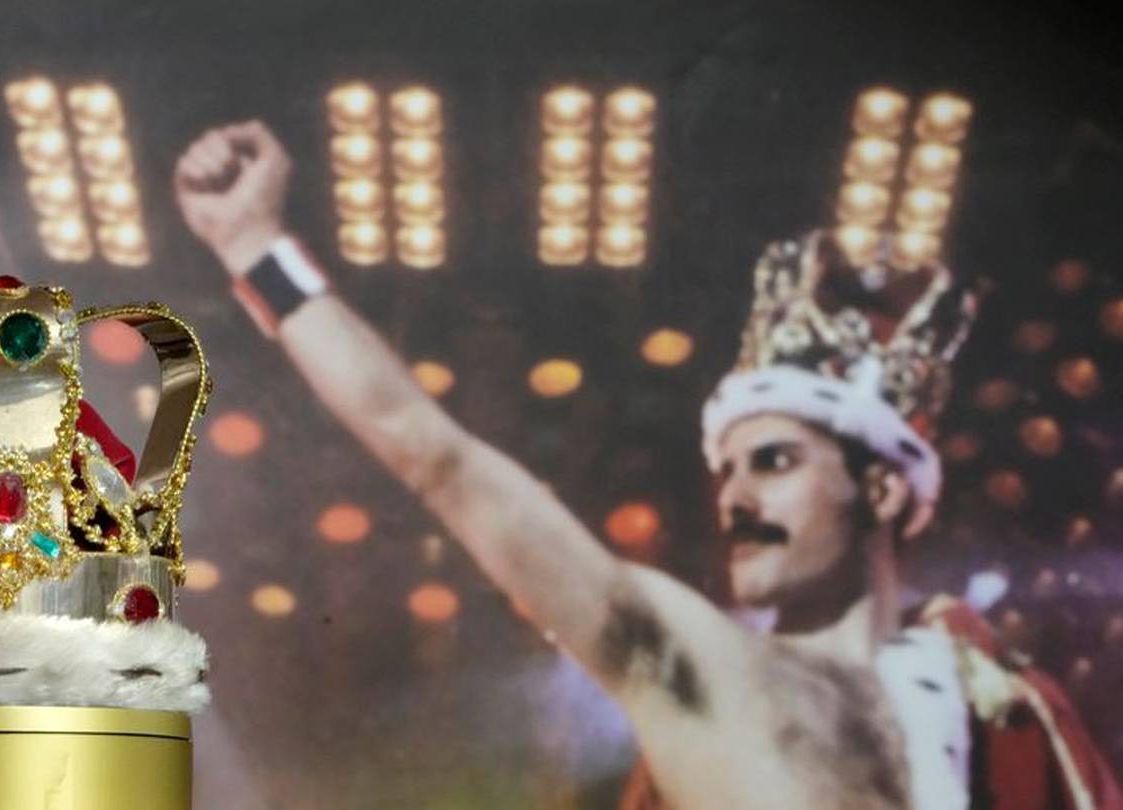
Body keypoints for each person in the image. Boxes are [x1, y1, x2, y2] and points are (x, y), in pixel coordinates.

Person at [173, 120, 1122, 809]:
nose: (736, 497)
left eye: (775, 462)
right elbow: (436, 456)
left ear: (879, 484)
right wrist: (253, 245)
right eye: (726, 471)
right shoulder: (696, 663)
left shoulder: (999, 709)